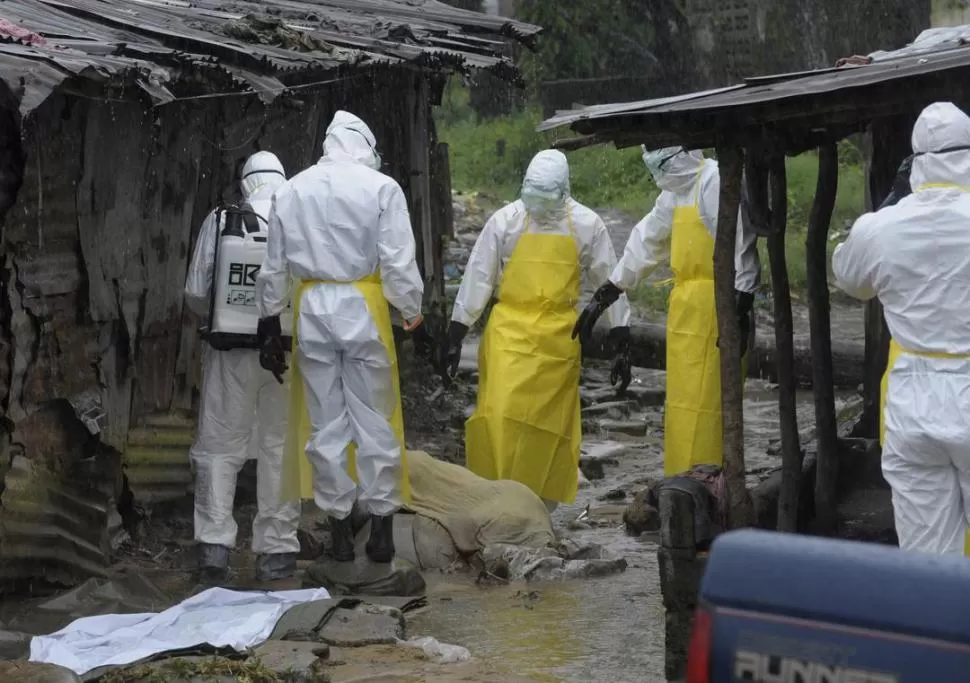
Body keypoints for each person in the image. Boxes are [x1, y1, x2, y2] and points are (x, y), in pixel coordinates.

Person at [255, 111, 424, 564]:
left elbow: (274, 264)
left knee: (325, 421)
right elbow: (397, 260)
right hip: (363, 306)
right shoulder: (382, 188)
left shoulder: (291, 189)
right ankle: (382, 529)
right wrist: (411, 310)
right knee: (374, 417)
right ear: (365, 147)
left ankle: (338, 532)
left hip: (310, 309)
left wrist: (270, 318)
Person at [440, 149, 632, 512]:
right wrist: (456, 331)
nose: (539, 205)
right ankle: (497, 504)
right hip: (509, 335)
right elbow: (478, 277)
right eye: (534, 197)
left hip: (559, 340)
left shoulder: (588, 225)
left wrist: (621, 333)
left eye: (547, 198)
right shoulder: (505, 221)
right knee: (500, 419)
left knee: (548, 431)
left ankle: (540, 511)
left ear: (564, 191)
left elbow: (610, 280)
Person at [832, 101, 970, 556]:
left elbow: (848, 276)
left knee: (928, 559)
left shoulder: (882, 228)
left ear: (914, 163)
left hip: (912, 406)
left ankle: (939, 628)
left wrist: (888, 206)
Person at [574, 146, 760, 477]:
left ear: (681, 153)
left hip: (719, 303)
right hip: (685, 311)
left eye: (662, 165)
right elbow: (648, 238)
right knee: (682, 407)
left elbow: (740, 243)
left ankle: (714, 483)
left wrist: (741, 305)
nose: (659, 175)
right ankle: (681, 481)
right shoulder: (675, 193)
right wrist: (610, 290)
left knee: (711, 405)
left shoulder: (714, 181)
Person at [184, 151, 300, 583]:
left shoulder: (221, 218)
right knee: (280, 447)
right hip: (287, 351)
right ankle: (277, 552)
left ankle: (214, 549)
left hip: (229, 352)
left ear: (245, 182)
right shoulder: (300, 215)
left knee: (219, 444)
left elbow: (197, 292)